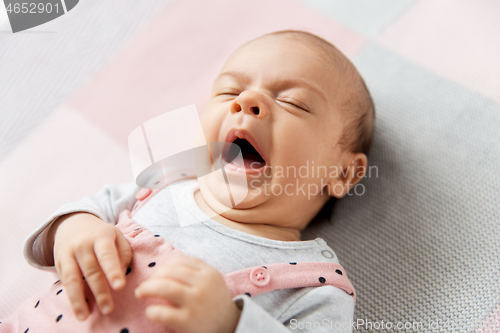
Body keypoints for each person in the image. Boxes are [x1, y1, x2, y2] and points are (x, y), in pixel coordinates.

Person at [4, 29, 375, 333]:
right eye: (229, 92)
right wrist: (75, 228)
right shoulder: (165, 184)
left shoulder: (315, 286)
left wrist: (230, 323)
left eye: (293, 102)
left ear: (343, 173)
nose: (246, 102)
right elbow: (91, 209)